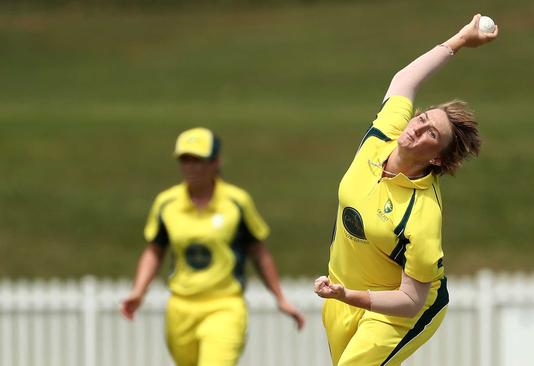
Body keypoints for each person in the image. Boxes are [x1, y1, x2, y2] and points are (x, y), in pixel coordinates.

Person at [313, 14, 498, 365]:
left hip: (400, 311)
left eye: (432, 134)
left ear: (440, 161)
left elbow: (411, 299)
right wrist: (458, 41)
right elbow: (405, 80)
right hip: (341, 296)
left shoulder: (422, 215)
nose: (418, 128)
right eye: (423, 118)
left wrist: (351, 295)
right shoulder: (386, 134)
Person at [121, 127, 305, 366]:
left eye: (198, 160)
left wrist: (280, 297)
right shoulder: (166, 203)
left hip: (225, 304)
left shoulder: (236, 201)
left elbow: (258, 251)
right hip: (181, 306)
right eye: (184, 160)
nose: (190, 167)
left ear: (215, 162)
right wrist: (138, 291)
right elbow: (155, 250)